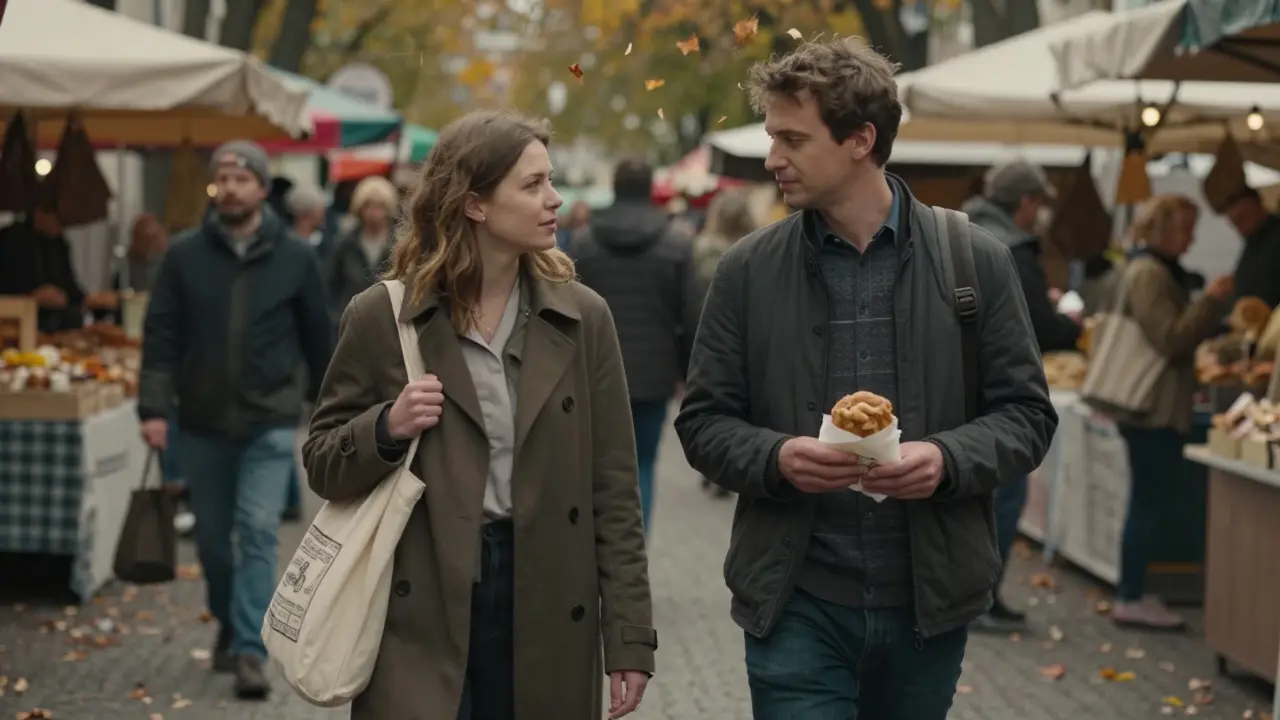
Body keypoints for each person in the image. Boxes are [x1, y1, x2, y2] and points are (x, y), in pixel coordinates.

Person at [674, 38, 1057, 719]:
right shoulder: (747, 271)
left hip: (928, 604)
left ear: (860, 140)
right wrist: (776, 457)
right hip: (795, 601)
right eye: (771, 137)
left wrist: (945, 458)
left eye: (792, 139)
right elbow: (703, 422)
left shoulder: (976, 261)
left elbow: (1027, 416)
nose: (771, 159)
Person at [302, 110, 655, 720]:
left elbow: (615, 491)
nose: (555, 199)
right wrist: (386, 427)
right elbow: (321, 463)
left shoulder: (583, 317)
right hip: (422, 600)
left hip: (544, 595)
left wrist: (629, 639)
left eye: (550, 180)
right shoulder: (382, 317)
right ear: (475, 205)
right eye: (533, 184)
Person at [137, 140, 333, 700]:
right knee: (213, 544)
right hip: (199, 422)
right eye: (222, 177)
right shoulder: (184, 255)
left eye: (241, 178)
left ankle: (250, 648)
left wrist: (329, 408)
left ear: (263, 189)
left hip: (268, 419)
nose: (229, 187)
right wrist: (153, 408)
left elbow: (319, 337)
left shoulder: (296, 258)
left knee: (257, 531)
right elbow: (161, 337)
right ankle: (228, 617)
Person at [1096, 195, 1234, 630]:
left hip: (1150, 407)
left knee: (1147, 498)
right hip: (1152, 408)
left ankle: (1133, 590)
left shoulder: (1147, 269)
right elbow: (1171, 339)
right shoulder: (1150, 274)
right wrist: (1210, 302)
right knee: (1148, 499)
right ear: (1162, 228)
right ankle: (1131, 595)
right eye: (1186, 228)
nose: (1192, 238)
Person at [961, 159, 1081, 633]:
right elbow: (1034, 329)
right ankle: (982, 596)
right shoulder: (1011, 248)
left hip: (958, 389)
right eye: (1038, 203)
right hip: (996, 395)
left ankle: (971, 594)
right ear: (1026, 201)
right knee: (1003, 494)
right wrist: (1067, 325)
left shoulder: (956, 231)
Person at [570, 158, 702, 534]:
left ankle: (593, 545)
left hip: (593, 372)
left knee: (596, 462)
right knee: (642, 462)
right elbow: (691, 312)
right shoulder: (676, 242)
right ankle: (632, 550)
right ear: (649, 188)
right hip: (653, 373)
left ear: (614, 186)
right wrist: (687, 373)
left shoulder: (585, 241)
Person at [325, 175, 398, 319]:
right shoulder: (346, 243)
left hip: (389, 320)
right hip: (352, 318)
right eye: (368, 206)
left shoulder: (399, 243)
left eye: (380, 206)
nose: (373, 212)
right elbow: (332, 284)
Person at [1222, 186, 1280, 308]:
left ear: (1255, 204)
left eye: (1243, 218)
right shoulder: (1253, 240)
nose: (1241, 229)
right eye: (1235, 223)